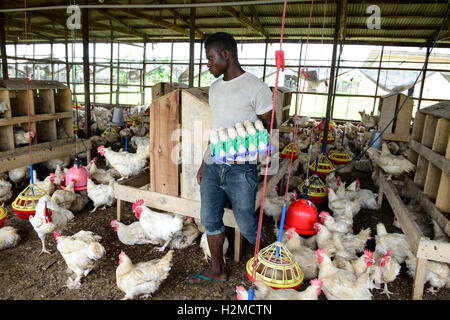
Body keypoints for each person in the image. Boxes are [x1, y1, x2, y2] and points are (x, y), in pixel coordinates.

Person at [185, 32, 277, 285]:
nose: (208, 64)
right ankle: (217, 269)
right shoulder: (215, 89)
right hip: (215, 164)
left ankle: (270, 265)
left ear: (226, 54)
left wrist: (262, 153)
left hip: (241, 167)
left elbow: (271, 127)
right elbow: (219, 130)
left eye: (211, 58)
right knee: (210, 218)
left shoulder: (256, 88)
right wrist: (205, 162)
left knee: (247, 223)